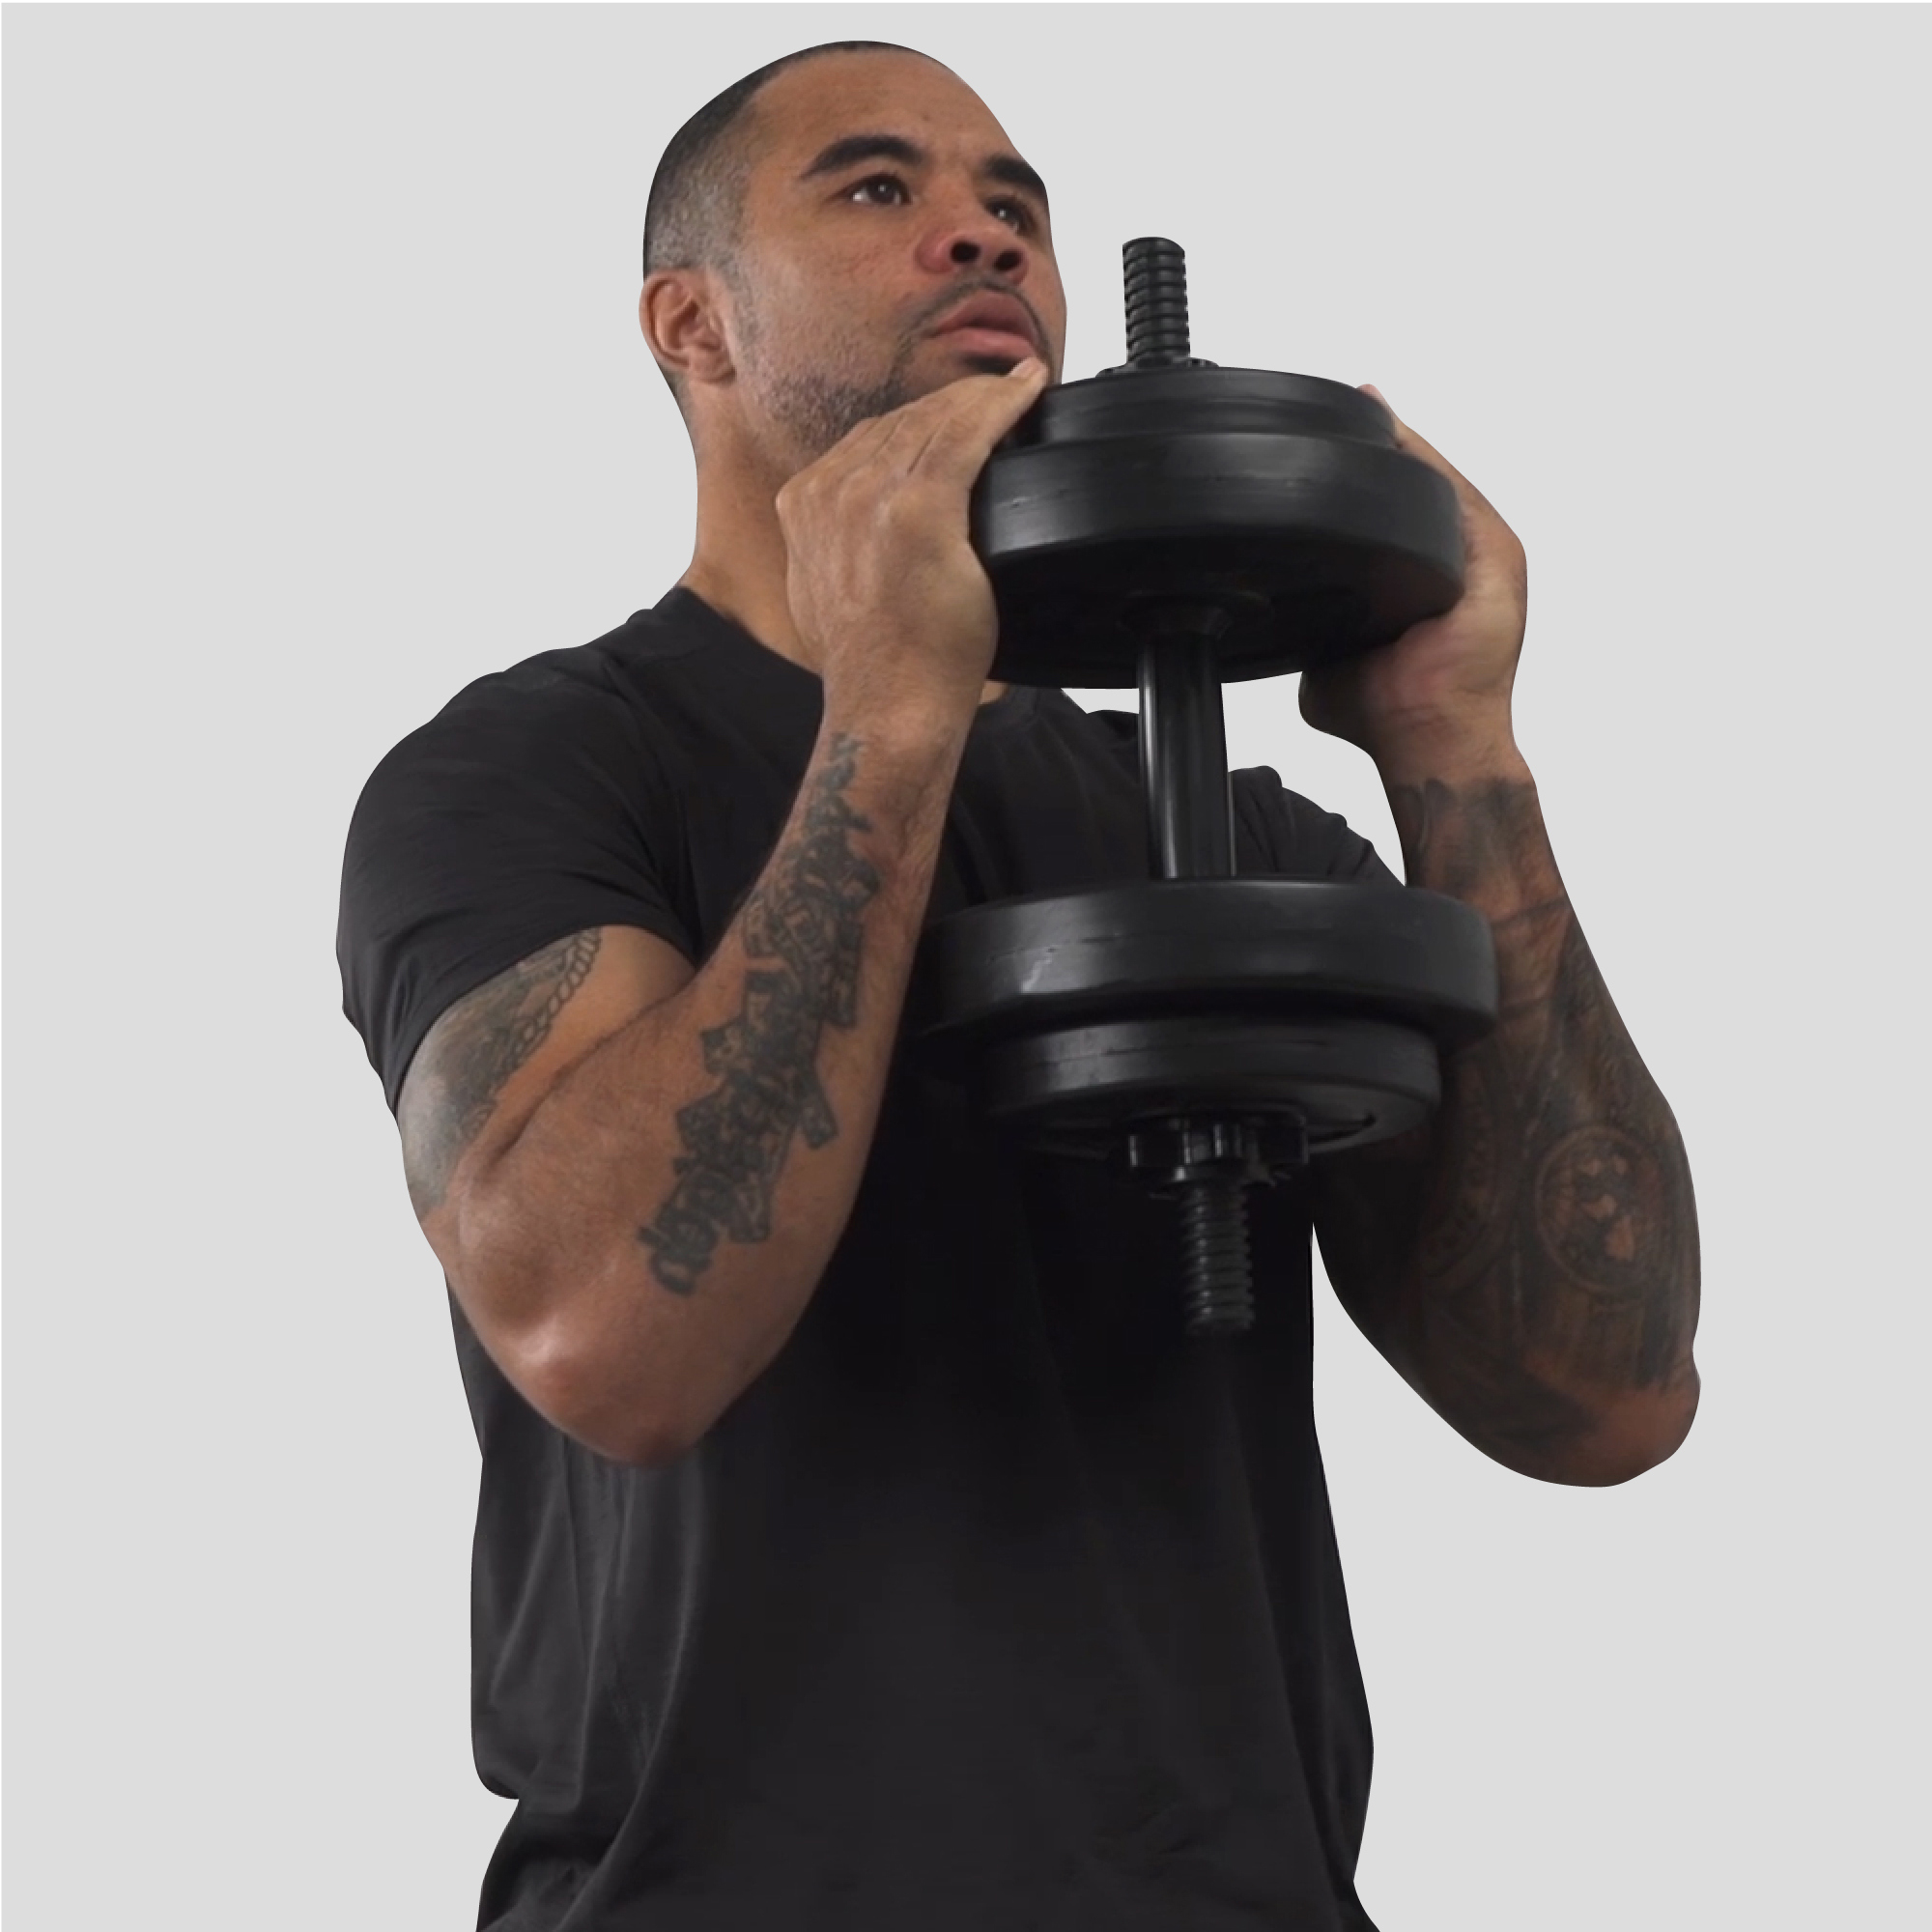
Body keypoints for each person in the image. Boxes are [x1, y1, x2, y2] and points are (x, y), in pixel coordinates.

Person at [336, 40, 1701, 1932]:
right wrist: (893, 702)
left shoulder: (1237, 836)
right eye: (875, 188)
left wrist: (1454, 748)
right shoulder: (534, 776)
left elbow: (1604, 1400)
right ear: (692, 325)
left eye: (1015, 206)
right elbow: (605, 1344)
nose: (980, 232)